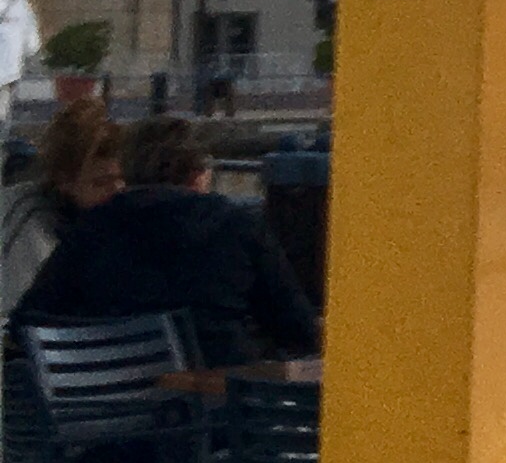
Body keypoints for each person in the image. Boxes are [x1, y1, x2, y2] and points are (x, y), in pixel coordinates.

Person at [15, 116, 320, 364]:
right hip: (223, 410)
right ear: (199, 174)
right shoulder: (237, 225)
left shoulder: (92, 228)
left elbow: (27, 322)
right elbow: (299, 330)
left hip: (113, 409)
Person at [3, 94, 128, 321]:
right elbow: (14, 315)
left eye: (122, 179)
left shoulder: (107, 218)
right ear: (65, 181)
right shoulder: (28, 221)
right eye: (101, 182)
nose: (118, 190)